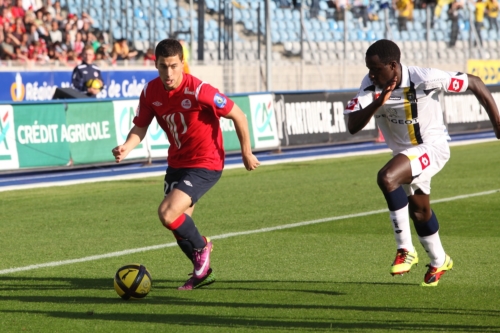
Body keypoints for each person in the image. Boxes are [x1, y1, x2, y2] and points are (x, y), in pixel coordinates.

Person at [344, 39, 500, 287]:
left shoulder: (425, 78)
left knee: (387, 177)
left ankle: (406, 249)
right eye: (368, 69)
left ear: (393, 65)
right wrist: (378, 102)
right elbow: (352, 126)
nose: (370, 74)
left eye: (375, 69)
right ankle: (440, 260)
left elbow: (475, 82)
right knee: (420, 212)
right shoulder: (370, 85)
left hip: (432, 148)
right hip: (406, 155)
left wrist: (497, 123)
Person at [111, 39, 260, 290]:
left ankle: (203, 247)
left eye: (173, 66)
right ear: (156, 65)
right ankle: (202, 274)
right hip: (177, 162)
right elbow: (141, 125)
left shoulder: (199, 90)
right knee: (176, 225)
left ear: (182, 63)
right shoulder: (150, 92)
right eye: (162, 67)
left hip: (206, 161)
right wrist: (127, 146)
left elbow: (238, 114)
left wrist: (246, 151)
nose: (168, 73)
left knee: (167, 213)